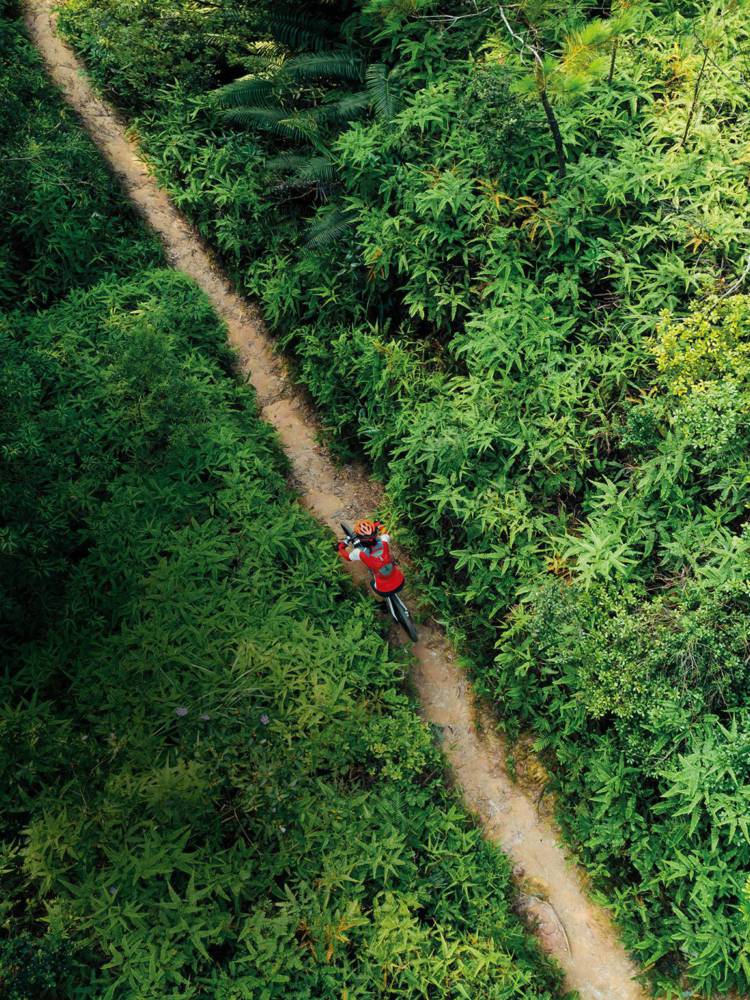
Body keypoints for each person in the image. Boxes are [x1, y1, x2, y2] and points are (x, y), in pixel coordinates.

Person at [337, 519, 405, 595]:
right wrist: (377, 525)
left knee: (372, 583)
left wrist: (341, 546)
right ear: (375, 533)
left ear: (360, 538)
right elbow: (384, 530)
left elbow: (347, 557)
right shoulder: (384, 540)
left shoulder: (359, 552)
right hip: (401, 581)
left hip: (384, 590)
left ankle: (382, 598)